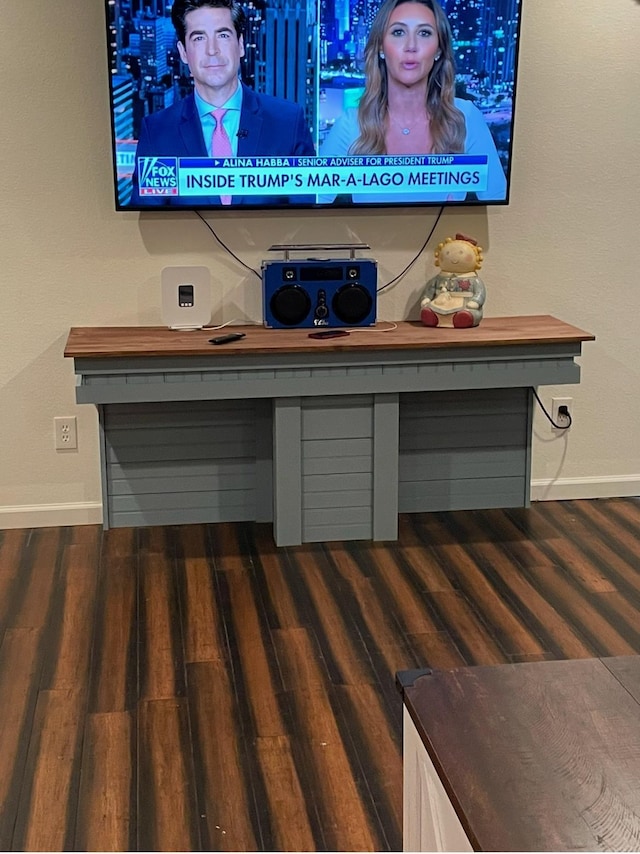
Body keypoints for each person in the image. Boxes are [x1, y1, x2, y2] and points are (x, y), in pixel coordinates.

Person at [319, 0, 507, 203]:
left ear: (438, 50)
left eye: (424, 33)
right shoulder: (351, 125)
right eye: (398, 33)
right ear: (381, 47)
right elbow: (311, 210)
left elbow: (501, 215)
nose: (411, 46)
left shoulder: (465, 118)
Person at [131, 0, 315, 206]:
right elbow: (151, 227)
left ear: (241, 45)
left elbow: (304, 221)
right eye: (199, 38)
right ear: (183, 52)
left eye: (223, 35)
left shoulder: (288, 122)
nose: (212, 50)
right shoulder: (156, 132)